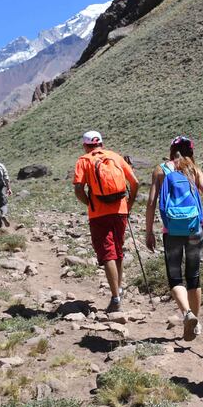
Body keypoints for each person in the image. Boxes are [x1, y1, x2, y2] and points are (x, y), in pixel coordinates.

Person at [144, 136, 203, 341]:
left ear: (171, 151)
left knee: (175, 276)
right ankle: (196, 323)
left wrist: (149, 231)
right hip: (195, 229)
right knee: (193, 276)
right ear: (191, 151)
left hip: (172, 231)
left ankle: (187, 314)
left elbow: (151, 203)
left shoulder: (161, 170)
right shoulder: (193, 169)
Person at [73, 130, 139, 312]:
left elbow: (78, 189)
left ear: (86, 145)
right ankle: (119, 288)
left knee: (108, 252)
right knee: (117, 251)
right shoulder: (115, 157)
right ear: (101, 143)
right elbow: (135, 183)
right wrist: (129, 203)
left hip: (98, 214)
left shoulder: (84, 160)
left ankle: (116, 297)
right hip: (120, 211)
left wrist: (90, 203)